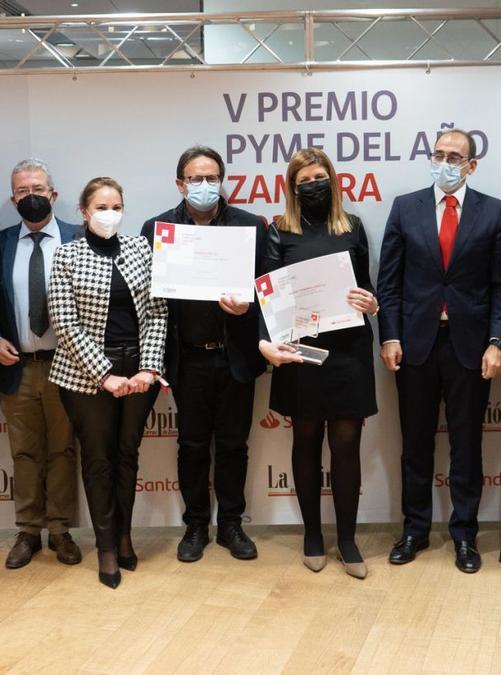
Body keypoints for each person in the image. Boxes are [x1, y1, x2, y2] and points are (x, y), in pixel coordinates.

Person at [377, 129, 501, 574]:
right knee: (415, 444)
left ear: (472, 165)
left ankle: (464, 536)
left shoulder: (493, 211)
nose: (445, 162)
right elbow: (389, 282)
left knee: (467, 446)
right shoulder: (405, 206)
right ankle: (415, 529)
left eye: (455, 156)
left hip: (471, 348)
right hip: (415, 344)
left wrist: (499, 341)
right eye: (438, 154)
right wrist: (389, 336)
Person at [140, 146, 267, 563]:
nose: (204, 186)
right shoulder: (157, 228)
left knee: (234, 444)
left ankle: (231, 523)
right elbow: (150, 301)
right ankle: (196, 524)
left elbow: (268, 292)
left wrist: (249, 304)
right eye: (195, 179)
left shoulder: (250, 226)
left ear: (222, 181)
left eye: (212, 178)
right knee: (192, 445)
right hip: (187, 358)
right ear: (180, 183)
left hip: (235, 357)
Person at [257, 148, 378, 580]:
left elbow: (367, 288)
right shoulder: (278, 231)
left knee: (346, 445)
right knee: (305, 441)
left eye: (319, 176)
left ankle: (346, 538)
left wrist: (371, 301)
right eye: (304, 179)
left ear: (333, 179)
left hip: (348, 352)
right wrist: (265, 342)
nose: (313, 185)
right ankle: (312, 534)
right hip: (300, 354)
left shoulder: (353, 227)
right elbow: (266, 297)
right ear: (292, 186)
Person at [49, 177, 167, 589]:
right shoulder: (66, 256)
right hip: (85, 376)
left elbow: (158, 313)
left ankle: (125, 535)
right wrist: (104, 374)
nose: (109, 214)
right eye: (101, 207)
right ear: (84, 212)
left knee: (127, 455)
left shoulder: (140, 249)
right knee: (98, 459)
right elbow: (65, 324)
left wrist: (148, 369)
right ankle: (105, 546)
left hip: (139, 371)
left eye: (116, 206)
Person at [0, 159, 83, 569]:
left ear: (54, 195)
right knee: (24, 452)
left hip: (69, 366)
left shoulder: (80, 239)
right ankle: (27, 530)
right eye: (23, 191)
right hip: (17, 365)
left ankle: (61, 530)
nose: (32, 197)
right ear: (13, 198)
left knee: (63, 450)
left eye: (38, 189)